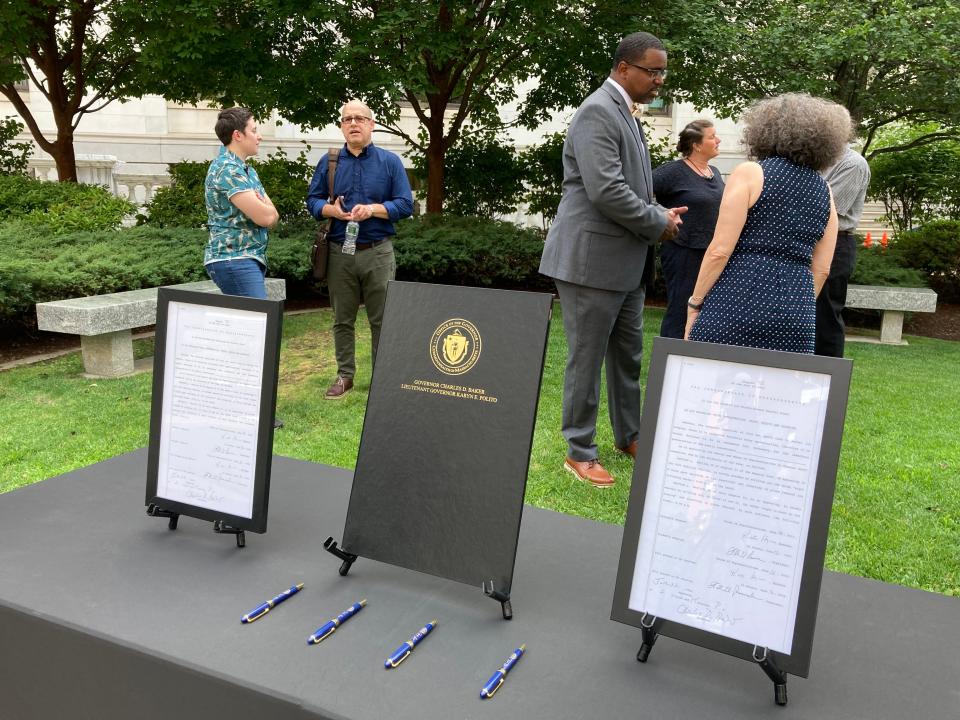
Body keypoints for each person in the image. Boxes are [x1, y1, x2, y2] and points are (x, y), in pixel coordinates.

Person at [539, 32, 687, 488]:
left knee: (627, 359)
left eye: (663, 71)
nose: (659, 80)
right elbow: (605, 191)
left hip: (624, 264)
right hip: (591, 263)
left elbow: (630, 187)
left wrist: (657, 211)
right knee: (586, 360)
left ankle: (631, 436)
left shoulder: (625, 112)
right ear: (624, 68)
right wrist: (656, 221)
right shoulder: (598, 111)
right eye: (652, 70)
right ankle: (580, 450)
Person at [685, 93, 850, 353]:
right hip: (797, 312)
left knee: (715, 385)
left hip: (736, 300)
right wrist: (797, 306)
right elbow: (822, 268)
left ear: (763, 132)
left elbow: (719, 250)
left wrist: (695, 303)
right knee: (778, 391)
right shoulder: (824, 190)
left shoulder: (751, 173)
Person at [306, 100, 413, 399]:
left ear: (371, 124)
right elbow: (312, 201)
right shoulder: (329, 161)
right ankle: (345, 376)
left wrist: (375, 209)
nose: (353, 123)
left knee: (383, 319)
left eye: (360, 119)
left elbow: (405, 204)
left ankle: (383, 377)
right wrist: (332, 210)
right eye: (347, 119)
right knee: (343, 318)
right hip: (340, 252)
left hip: (378, 251)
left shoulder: (390, 162)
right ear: (341, 125)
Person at [652, 119, 725, 338]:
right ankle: (670, 363)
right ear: (696, 145)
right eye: (712, 137)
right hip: (683, 252)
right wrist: (660, 215)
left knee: (706, 314)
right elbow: (638, 190)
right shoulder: (673, 172)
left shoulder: (714, 172)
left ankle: (695, 364)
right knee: (681, 311)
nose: (718, 140)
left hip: (710, 254)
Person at [204, 107, 279, 299]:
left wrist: (268, 212)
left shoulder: (246, 170)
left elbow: (274, 216)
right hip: (234, 259)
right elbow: (265, 217)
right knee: (258, 324)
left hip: (244, 259)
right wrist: (266, 210)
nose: (259, 136)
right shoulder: (228, 169)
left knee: (250, 324)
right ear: (237, 135)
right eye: (254, 130)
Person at [815, 146, 871, 357]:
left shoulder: (853, 163)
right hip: (810, 241)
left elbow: (826, 209)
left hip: (836, 243)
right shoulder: (816, 160)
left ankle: (825, 380)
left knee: (825, 316)